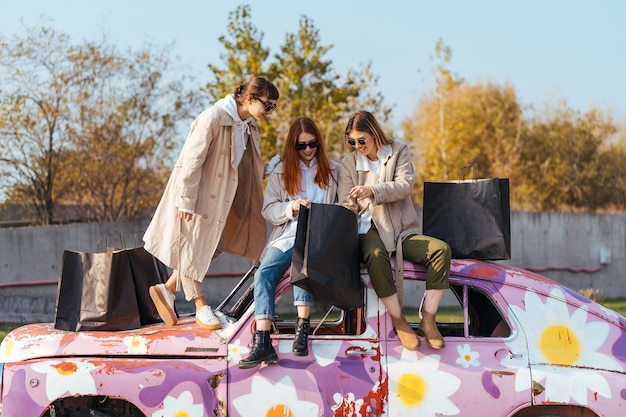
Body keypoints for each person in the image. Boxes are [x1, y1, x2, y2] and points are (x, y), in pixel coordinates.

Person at [143, 76, 279, 330]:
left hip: (224, 200)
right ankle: (199, 305)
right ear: (250, 99)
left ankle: (169, 288)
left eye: (273, 107)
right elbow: (191, 160)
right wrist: (186, 200)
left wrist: (269, 168)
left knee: (214, 246)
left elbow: (244, 166)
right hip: (201, 196)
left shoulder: (248, 126)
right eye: (268, 105)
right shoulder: (214, 118)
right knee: (195, 247)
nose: (270, 112)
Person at [338, 110, 451, 350]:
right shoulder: (348, 164)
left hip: (400, 230)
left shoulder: (398, 151)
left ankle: (428, 320)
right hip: (365, 229)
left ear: (374, 134)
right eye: (351, 141)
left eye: (361, 140)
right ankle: (399, 320)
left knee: (440, 250)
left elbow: (404, 186)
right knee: (376, 256)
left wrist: (372, 191)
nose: (356, 146)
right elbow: (345, 203)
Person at [238, 116, 340, 369]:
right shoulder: (280, 170)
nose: (307, 150)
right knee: (263, 274)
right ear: (292, 146)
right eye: (301, 145)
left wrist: (324, 216)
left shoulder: (335, 170)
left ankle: (302, 330)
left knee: (301, 268)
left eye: (312, 144)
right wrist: (292, 206)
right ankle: (262, 341)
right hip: (287, 234)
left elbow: (344, 206)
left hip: (318, 237)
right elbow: (268, 210)